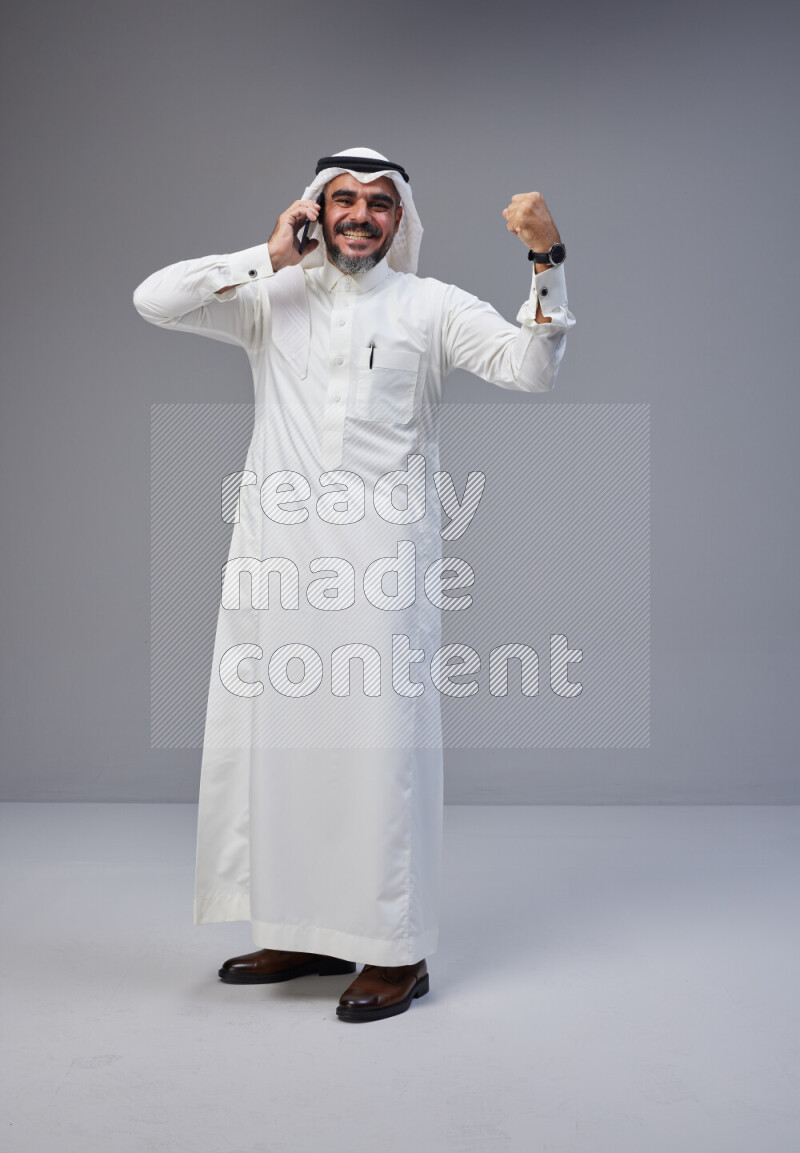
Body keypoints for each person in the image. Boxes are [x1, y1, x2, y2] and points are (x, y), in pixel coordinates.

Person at [133, 147, 575, 1023]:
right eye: (343, 201)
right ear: (315, 212)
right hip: (278, 561)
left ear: (400, 219)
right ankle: (301, 925)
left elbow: (531, 368)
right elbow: (155, 299)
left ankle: (396, 951)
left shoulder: (429, 306)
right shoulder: (270, 300)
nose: (361, 215)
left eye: (379, 202)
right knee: (283, 745)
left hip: (381, 569)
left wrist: (547, 262)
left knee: (377, 756)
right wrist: (266, 257)